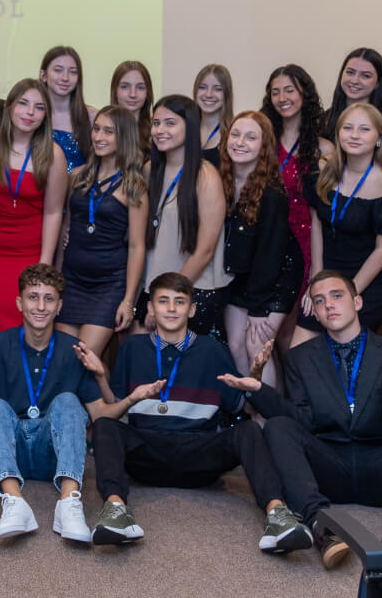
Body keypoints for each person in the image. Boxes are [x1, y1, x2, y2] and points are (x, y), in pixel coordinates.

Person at [249, 270, 382, 567]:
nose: (329, 305)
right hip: (329, 465)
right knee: (279, 427)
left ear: (357, 302)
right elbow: (301, 421)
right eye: (319, 301)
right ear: (316, 314)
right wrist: (259, 390)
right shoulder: (300, 357)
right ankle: (322, 525)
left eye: (337, 296)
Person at [82, 272, 289, 549]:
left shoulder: (213, 350)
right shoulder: (133, 347)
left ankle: (278, 514)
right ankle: (116, 510)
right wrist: (100, 377)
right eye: (163, 301)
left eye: (179, 302)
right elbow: (116, 410)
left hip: (198, 453)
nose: (170, 308)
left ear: (191, 309)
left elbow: (244, 407)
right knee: (105, 425)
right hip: (148, 452)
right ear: (151, 308)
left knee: (249, 430)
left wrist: (255, 375)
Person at [0, 264, 94, 543]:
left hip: (52, 454)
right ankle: (15, 502)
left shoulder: (74, 348)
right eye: (33, 297)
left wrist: (114, 386)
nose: (41, 306)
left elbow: (100, 415)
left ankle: (69, 504)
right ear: (20, 303)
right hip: (9, 453)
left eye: (49, 298)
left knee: (70, 402)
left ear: (59, 306)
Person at [0, 79, 69, 356]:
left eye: (39, 107)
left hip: (29, 256)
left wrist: (44, 263)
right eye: (23, 103)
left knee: (26, 334)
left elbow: (54, 211)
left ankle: (24, 396)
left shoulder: (53, 155)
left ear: (46, 115)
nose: (29, 112)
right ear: (9, 105)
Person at [303, 102, 382, 334]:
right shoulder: (323, 170)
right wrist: (317, 283)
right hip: (327, 273)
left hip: (366, 282)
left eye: (364, 129)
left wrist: (348, 293)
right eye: (347, 128)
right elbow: (317, 225)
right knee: (300, 351)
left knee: (340, 354)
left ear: (379, 138)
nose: (354, 135)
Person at [55, 105, 147, 358]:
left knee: (82, 358)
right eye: (97, 129)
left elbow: (137, 246)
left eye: (109, 132)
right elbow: (67, 227)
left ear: (124, 137)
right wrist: (58, 281)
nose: (99, 137)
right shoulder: (78, 176)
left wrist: (128, 300)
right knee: (62, 359)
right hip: (71, 282)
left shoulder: (133, 186)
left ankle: (109, 399)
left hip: (108, 286)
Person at [137, 95, 228, 335]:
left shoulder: (206, 177)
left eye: (170, 123)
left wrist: (169, 300)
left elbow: (205, 251)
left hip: (191, 291)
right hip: (150, 286)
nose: (160, 130)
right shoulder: (149, 170)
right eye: (156, 123)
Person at [219, 111, 299, 375]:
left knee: (257, 348)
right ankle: (249, 407)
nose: (240, 142)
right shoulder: (220, 181)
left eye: (251, 137)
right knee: (234, 345)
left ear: (263, 146)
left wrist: (258, 308)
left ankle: (267, 416)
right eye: (236, 134)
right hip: (239, 276)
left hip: (275, 278)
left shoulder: (273, 194)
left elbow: (269, 256)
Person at [263, 65, 326, 289]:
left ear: (304, 93)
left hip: (304, 244)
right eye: (275, 91)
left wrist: (316, 271)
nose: (282, 98)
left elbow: (322, 212)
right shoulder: (262, 141)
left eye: (289, 90)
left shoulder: (324, 150)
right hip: (264, 240)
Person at [324, 47, 382, 156]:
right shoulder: (326, 118)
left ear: (378, 83)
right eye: (350, 72)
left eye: (365, 76)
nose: (355, 80)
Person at [39, 45, 94, 169]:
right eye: (58, 70)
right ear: (43, 75)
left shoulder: (92, 117)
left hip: (78, 187)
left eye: (73, 72)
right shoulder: (31, 114)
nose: (65, 78)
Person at [191, 63, 233, 168]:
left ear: (227, 95)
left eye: (217, 89)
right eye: (202, 87)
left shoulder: (234, 134)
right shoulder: (184, 129)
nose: (209, 94)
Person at [109, 59, 154, 148]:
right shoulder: (100, 129)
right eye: (125, 87)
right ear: (115, 90)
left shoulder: (156, 131)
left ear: (148, 92)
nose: (132, 94)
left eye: (140, 87)